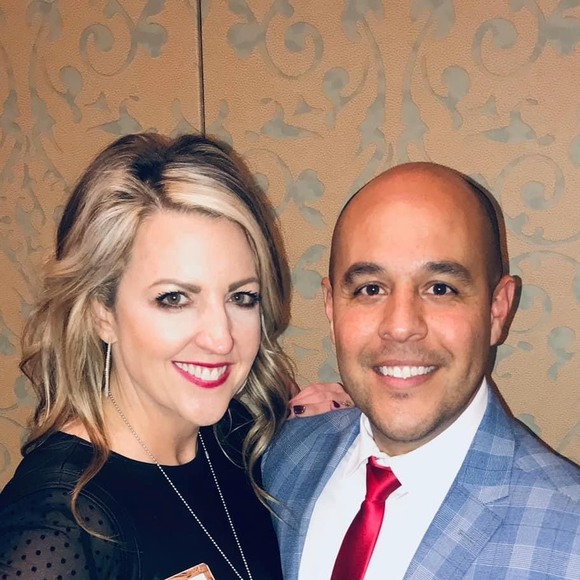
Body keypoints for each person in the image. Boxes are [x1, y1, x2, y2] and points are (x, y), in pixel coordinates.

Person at [0, 132, 346, 580]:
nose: (221, 339)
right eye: (174, 299)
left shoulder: (240, 439)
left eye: (241, 297)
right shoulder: (56, 526)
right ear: (102, 312)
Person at [263, 162, 580, 580]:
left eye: (440, 288)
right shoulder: (281, 458)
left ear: (497, 309)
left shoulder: (570, 538)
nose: (401, 326)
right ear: (331, 306)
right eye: (370, 289)